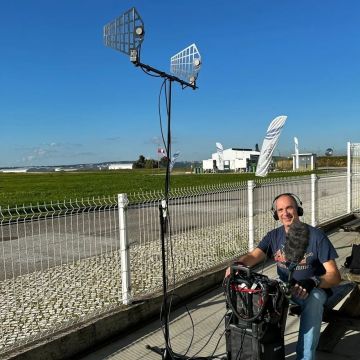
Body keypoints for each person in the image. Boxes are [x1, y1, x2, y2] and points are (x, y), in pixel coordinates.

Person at [226, 193, 341, 360]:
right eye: (280, 210)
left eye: (289, 208)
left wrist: (313, 281)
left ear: (298, 209)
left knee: (314, 299)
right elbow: (253, 256)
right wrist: (237, 264)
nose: (285, 213)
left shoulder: (317, 236)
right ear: (276, 214)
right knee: (257, 296)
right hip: (284, 287)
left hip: (312, 289)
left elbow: (335, 276)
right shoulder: (273, 236)